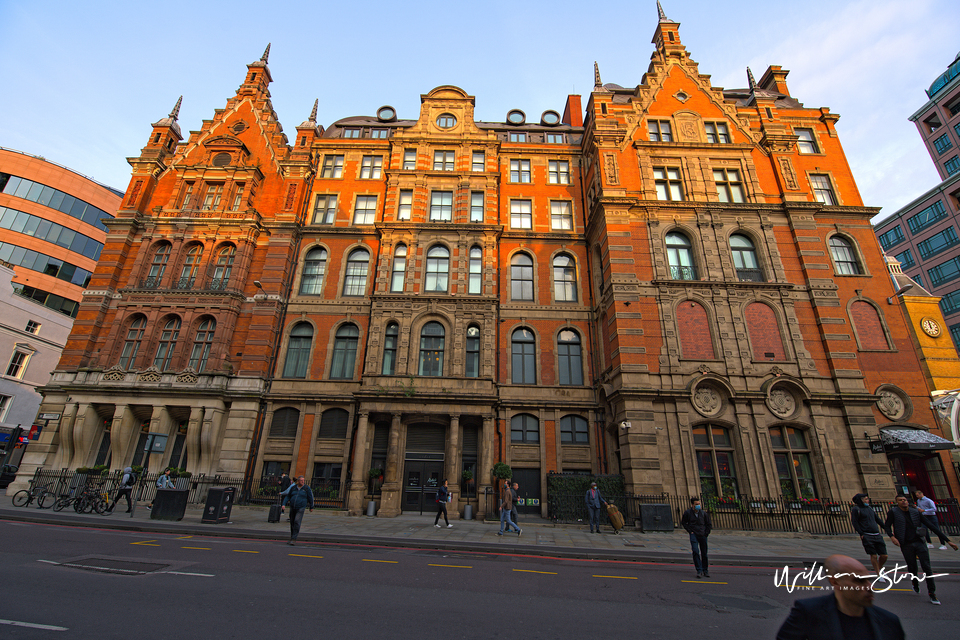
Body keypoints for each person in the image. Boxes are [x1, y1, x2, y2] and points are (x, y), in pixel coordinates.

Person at [776, 554, 905, 640]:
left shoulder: (889, 621)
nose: (869, 587)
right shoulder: (808, 613)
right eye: (859, 581)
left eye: (868, 580)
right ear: (835, 582)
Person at [884, 493, 957, 605]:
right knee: (912, 567)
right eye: (900, 500)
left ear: (907, 501)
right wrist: (892, 537)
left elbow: (931, 525)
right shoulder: (893, 512)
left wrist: (948, 541)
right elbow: (887, 526)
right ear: (897, 502)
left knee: (927, 567)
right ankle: (915, 583)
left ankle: (932, 594)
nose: (903, 501)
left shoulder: (915, 512)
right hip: (906, 544)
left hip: (919, 542)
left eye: (904, 499)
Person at [850, 493, 888, 575]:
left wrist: (886, 528)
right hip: (867, 534)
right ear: (860, 500)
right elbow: (854, 522)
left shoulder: (870, 508)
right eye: (866, 499)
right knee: (873, 555)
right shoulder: (856, 509)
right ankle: (879, 573)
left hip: (877, 534)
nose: (868, 500)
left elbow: (878, 519)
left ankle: (879, 567)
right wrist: (861, 533)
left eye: (868, 499)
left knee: (884, 555)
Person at [680, 497, 712, 578]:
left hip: (702, 535)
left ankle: (705, 570)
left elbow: (708, 524)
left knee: (704, 553)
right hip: (694, 534)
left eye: (699, 504)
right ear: (692, 505)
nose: (698, 505)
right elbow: (684, 522)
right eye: (696, 504)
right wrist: (690, 531)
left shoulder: (703, 513)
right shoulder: (688, 513)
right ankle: (699, 570)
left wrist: (706, 533)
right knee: (695, 551)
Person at [282, 475, 314, 545]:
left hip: (301, 507)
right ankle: (292, 537)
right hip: (293, 507)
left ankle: (294, 539)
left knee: (297, 521)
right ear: (298, 481)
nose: (303, 482)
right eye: (301, 480)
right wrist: (283, 504)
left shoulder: (306, 488)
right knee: (292, 522)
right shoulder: (293, 488)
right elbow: (288, 496)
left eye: (303, 480)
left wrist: (311, 506)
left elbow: (310, 497)